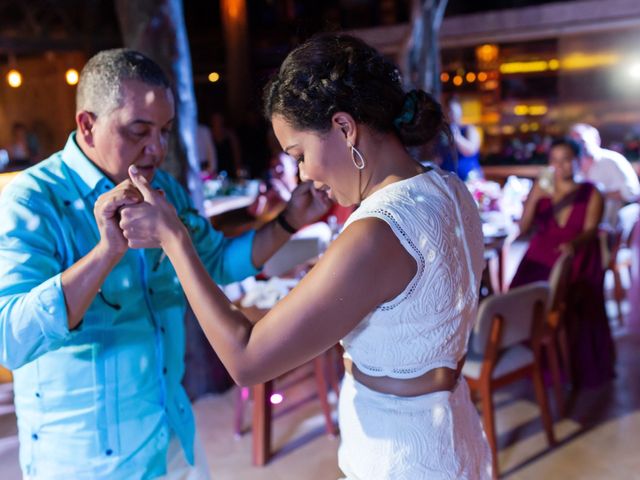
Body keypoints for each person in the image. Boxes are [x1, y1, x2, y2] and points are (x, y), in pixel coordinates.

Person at [120, 34, 492, 479]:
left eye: (299, 154)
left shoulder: (376, 233)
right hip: (452, 434)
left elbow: (247, 360)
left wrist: (174, 239)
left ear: (344, 127)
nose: (303, 173)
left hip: (404, 454)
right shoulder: (449, 189)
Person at [0, 49, 328, 479]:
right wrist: (105, 254)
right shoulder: (31, 200)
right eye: (139, 131)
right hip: (84, 461)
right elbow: (10, 341)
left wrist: (288, 221)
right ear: (87, 125)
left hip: (173, 436)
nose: (155, 148)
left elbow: (217, 262)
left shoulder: (165, 190)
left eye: (165, 131)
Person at [510, 138, 615, 389]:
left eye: (566, 159)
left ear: (577, 161)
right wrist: (534, 198)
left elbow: (591, 230)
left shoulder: (592, 191)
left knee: (569, 298)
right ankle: (530, 362)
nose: (561, 166)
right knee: (519, 296)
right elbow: (523, 229)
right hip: (540, 255)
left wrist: (573, 246)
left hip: (576, 254)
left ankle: (572, 368)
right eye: (555, 161)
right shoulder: (542, 191)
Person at [570, 123, 640, 228]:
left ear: (596, 140)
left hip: (609, 227)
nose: (578, 146)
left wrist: (597, 197)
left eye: (582, 141)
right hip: (580, 226)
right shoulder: (571, 166)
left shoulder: (613, 161)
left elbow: (632, 193)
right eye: (573, 142)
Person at [439, 97, 482, 181]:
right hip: (448, 179)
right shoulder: (442, 133)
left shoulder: (469, 129)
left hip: (469, 179)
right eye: (448, 111)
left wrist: (456, 137)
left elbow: (471, 151)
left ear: (460, 112)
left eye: (453, 112)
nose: (450, 115)